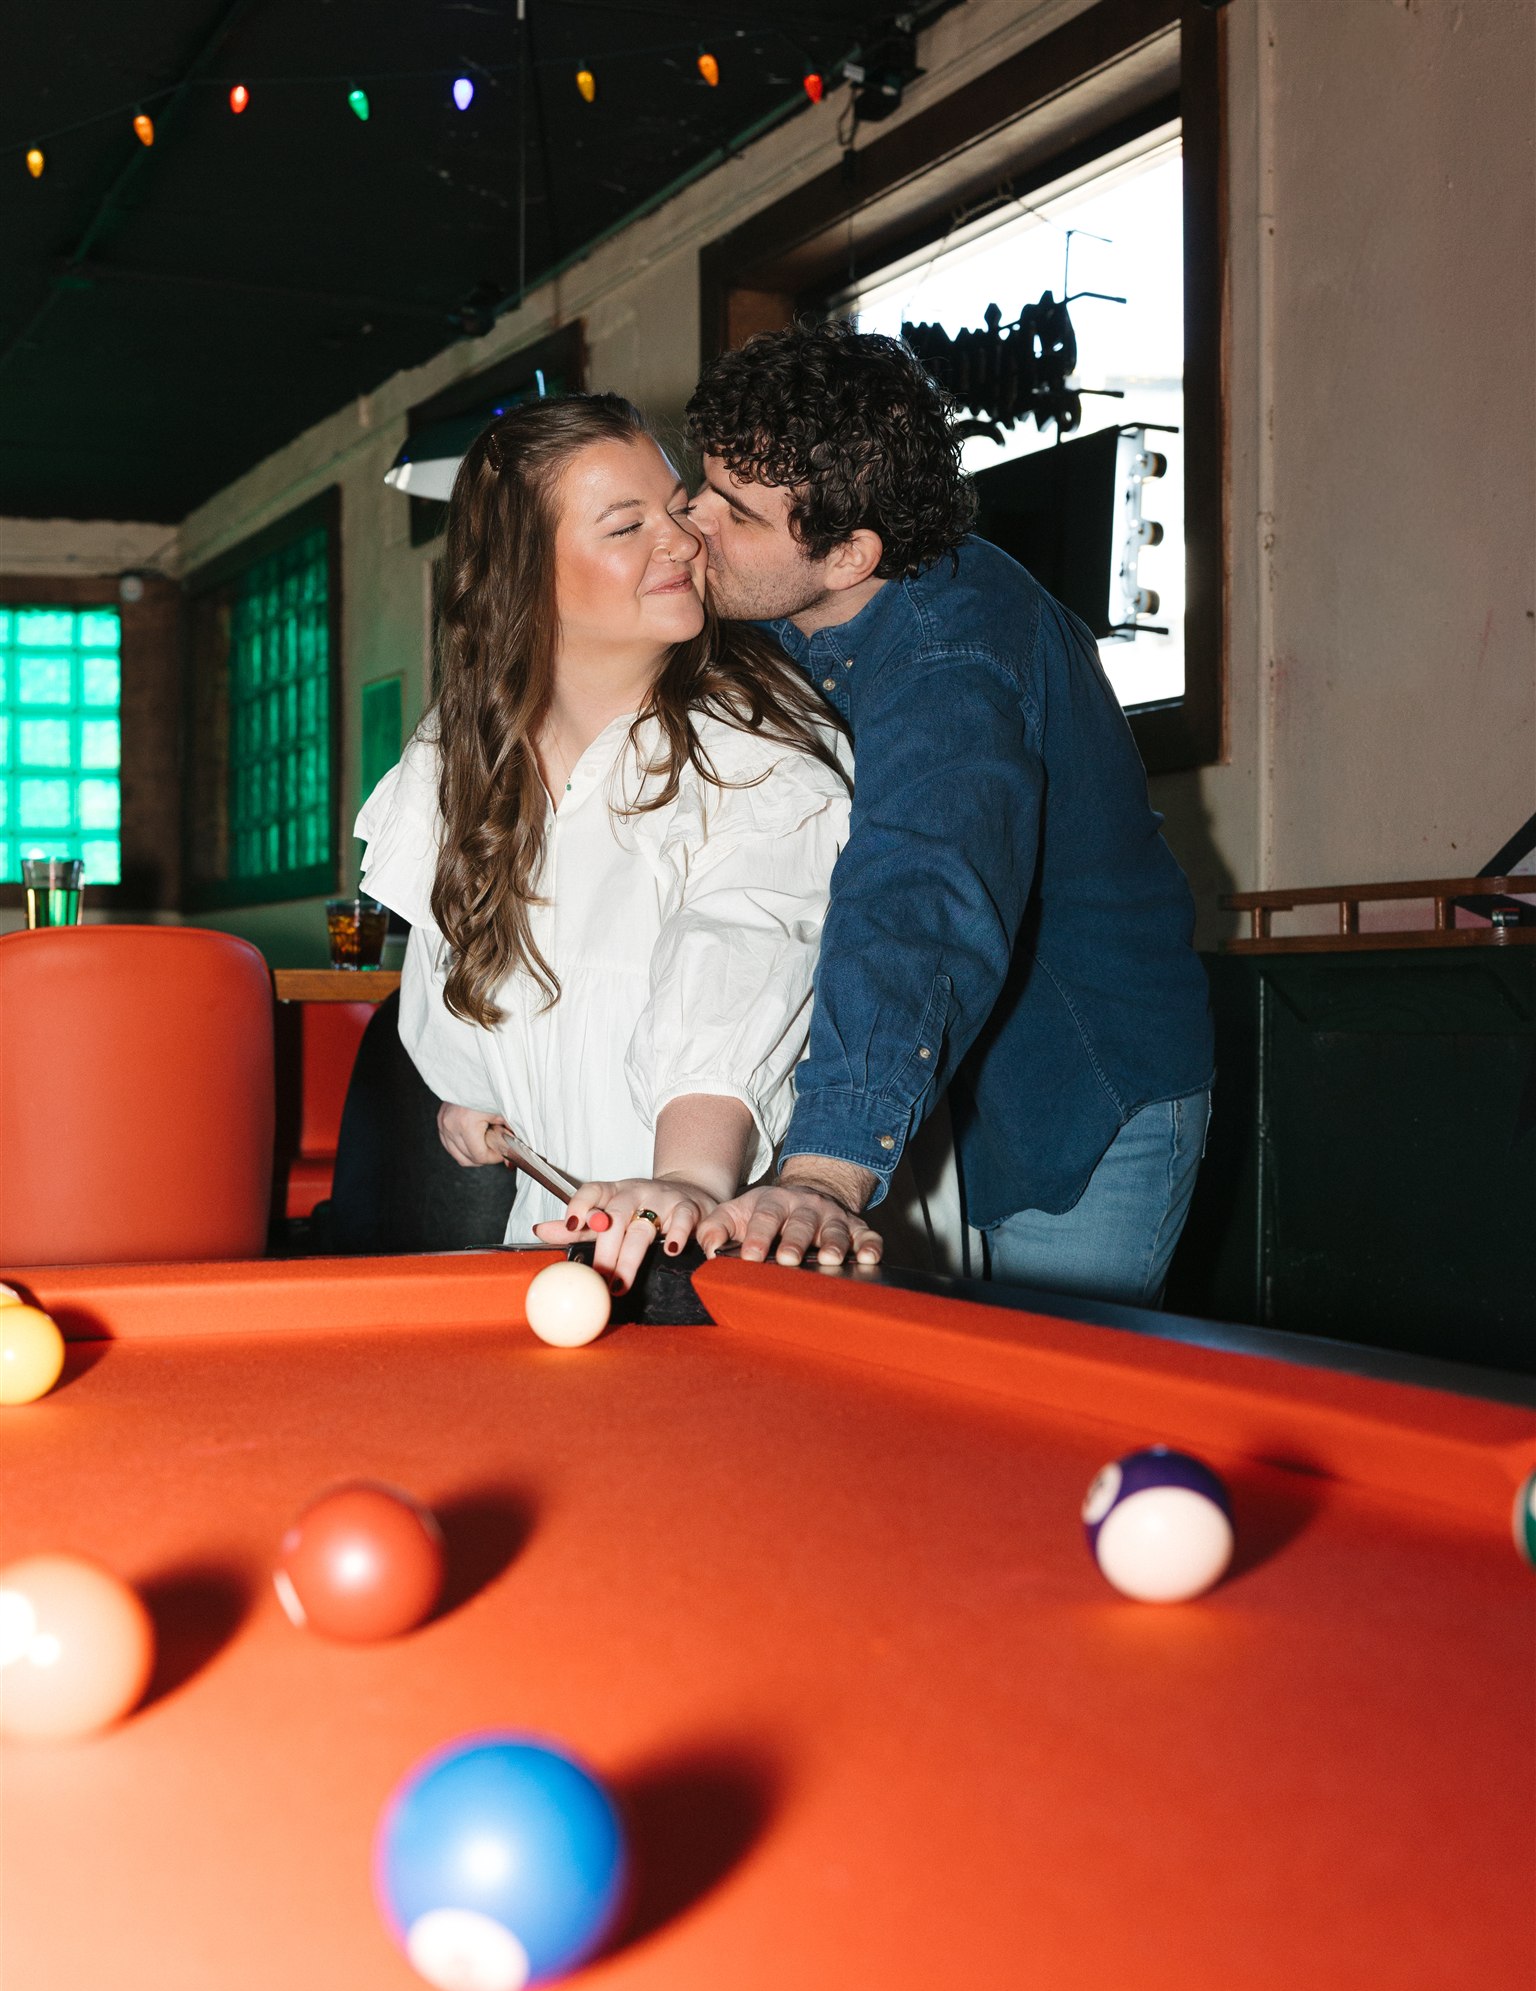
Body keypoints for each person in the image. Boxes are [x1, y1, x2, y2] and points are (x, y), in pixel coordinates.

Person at [684, 322, 1215, 1306]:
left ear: (850, 553)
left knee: (1047, 1403)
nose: (691, 520)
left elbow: (918, 893)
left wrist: (825, 1167)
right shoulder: (788, 615)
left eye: (737, 513)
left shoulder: (950, 655)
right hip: (919, 1077)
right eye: (701, 484)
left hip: (1078, 1084)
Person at [354, 392, 850, 1295]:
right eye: (627, 526)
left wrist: (689, 1179)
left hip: (730, 1257)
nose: (683, 542)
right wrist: (476, 1096)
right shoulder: (448, 762)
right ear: (522, 574)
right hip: (558, 1254)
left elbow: (742, 954)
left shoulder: (754, 750)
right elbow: (455, 1003)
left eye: (675, 508)